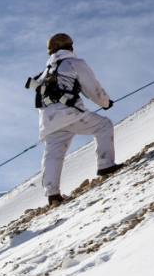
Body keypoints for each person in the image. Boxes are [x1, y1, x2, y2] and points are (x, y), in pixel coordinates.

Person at [26, 33, 124, 206]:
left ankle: (53, 194)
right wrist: (105, 102)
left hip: (48, 121)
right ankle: (105, 165)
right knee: (103, 125)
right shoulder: (74, 63)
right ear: (70, 47)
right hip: (69, 113)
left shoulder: (43, 74)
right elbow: (92, 88)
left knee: (53, 154)